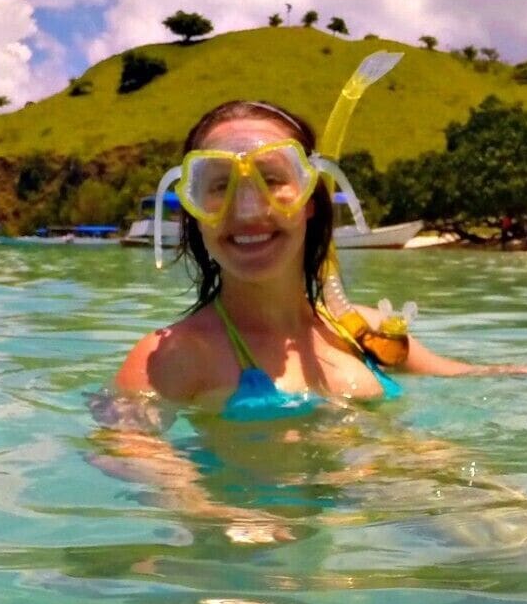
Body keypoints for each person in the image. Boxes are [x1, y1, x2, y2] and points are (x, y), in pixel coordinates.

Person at [110, 98, 472, 413]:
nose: (249, 211)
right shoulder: (174, 357)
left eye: (271, 179)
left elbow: (480, 381)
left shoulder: (364, 331)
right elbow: (127, 451)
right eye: (220, 185)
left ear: (309, 199)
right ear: (196, 212)